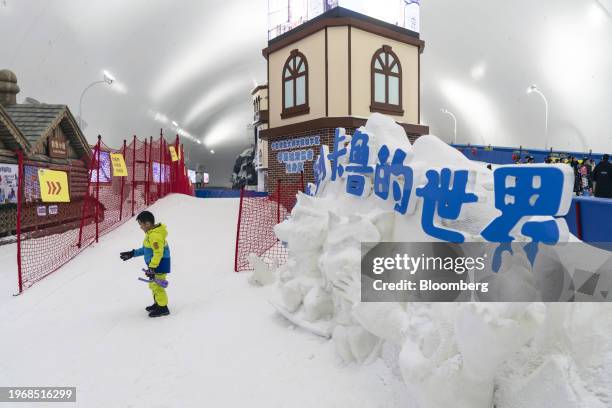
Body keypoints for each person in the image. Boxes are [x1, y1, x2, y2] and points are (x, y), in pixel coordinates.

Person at [119, 211, 172, 317]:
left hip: (159, 265)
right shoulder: (150, 234)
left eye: (141, 224)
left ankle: (163, 308)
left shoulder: (155, 236)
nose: (140, 227)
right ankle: (158, 303)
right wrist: (132, 253)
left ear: (147, 224)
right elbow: (146, 250)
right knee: (153, 285)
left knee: (157, 286)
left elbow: (158, 253)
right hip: (155, 265)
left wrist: (152, 267)